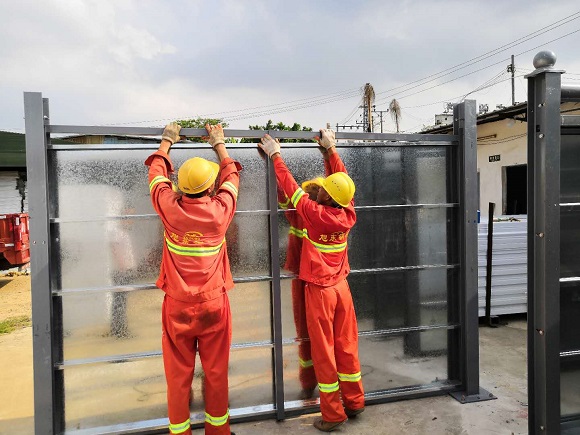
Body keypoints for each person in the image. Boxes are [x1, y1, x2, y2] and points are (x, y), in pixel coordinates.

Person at [258, 129, 365, 432]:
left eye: (323, 189)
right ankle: (354, 401)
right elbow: (343, 182)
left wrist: (275, 154)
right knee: (346, 345)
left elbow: (290, 186)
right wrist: (330, 151)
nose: (318, 189)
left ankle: (332, 414)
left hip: (320, 291)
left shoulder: (313, 213)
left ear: (327, 196)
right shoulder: (348, 211)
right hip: (341, 288)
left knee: (323, 351)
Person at [146, 122, 240, 435]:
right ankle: (218, 432)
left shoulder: (169, 208)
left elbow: (156, 176)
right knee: (216, 373)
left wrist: (167, 141)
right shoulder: (220, 212)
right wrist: (218, 143)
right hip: (214, 305)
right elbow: (232, 177)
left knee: (177, 377)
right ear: (210, 188)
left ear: (181, 187)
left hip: (177, 306)